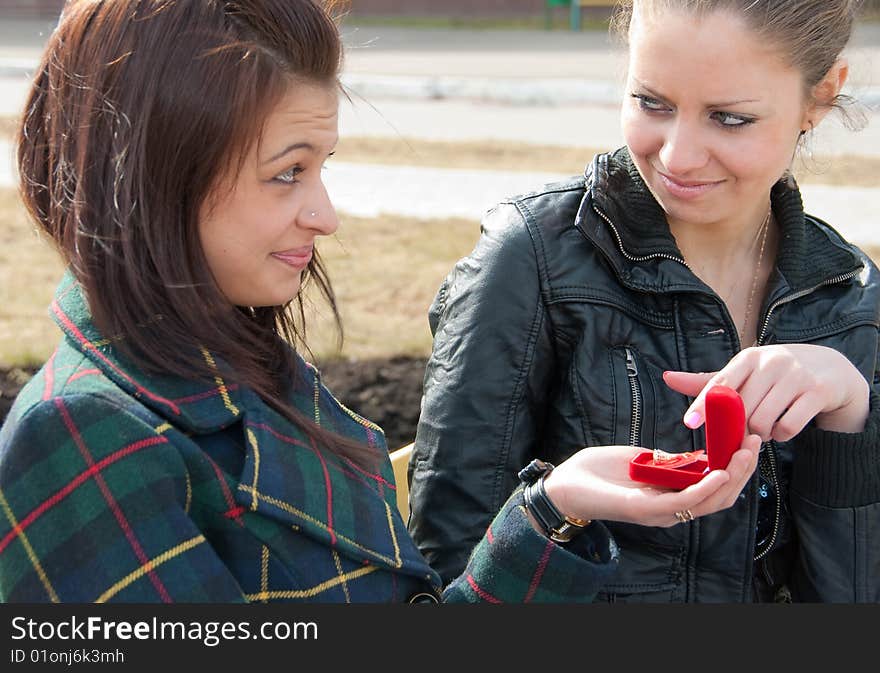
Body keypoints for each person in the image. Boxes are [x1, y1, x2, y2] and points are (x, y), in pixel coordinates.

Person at [0, 0, 760, 604]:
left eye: (320, 166)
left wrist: (556, 509)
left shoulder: (238, 362)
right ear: (153, 181)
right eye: (286, 173)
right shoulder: (83, 438)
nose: (324, 213)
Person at [409, 0, 880, 602]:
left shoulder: (850, 295)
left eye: (729, 119)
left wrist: (849, 411)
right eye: (651, 103)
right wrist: (556, 511)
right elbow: (457, 567)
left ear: (820, 97)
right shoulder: (531, 257)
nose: (678, 156)